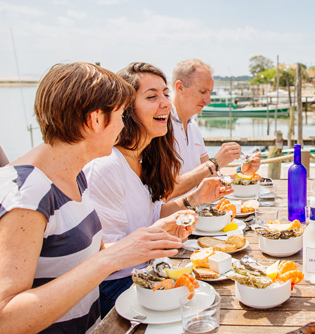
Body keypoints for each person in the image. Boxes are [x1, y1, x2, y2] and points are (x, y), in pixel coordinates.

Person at [0, 63, 187, 334]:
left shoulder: (74, 176)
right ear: (96, 120)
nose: (124, 125)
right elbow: (5, 319)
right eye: (122, 115)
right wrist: (109, 260)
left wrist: (150, 239)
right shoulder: (27, 197)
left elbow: (87, 257)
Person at [85, 62, 231, 316]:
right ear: (125, 110)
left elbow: (153, 215)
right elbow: (103, 258)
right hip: (116, 286)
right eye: (152, 97)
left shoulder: (146, 157)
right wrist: (159, 238)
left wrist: (195, 198)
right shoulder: (107, 167)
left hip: (150, 268)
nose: (165, 103)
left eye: (165, 94)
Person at [169, 59, 261, 197]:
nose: (208, 100)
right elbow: (166, 191)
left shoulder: (193, 127)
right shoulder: (160, 128)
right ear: (180, 87)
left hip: (197, 212)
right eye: (203, 91)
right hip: (173, 216)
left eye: (210, 93)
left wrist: (241, 174)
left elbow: (210, 176)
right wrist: (215, 162)